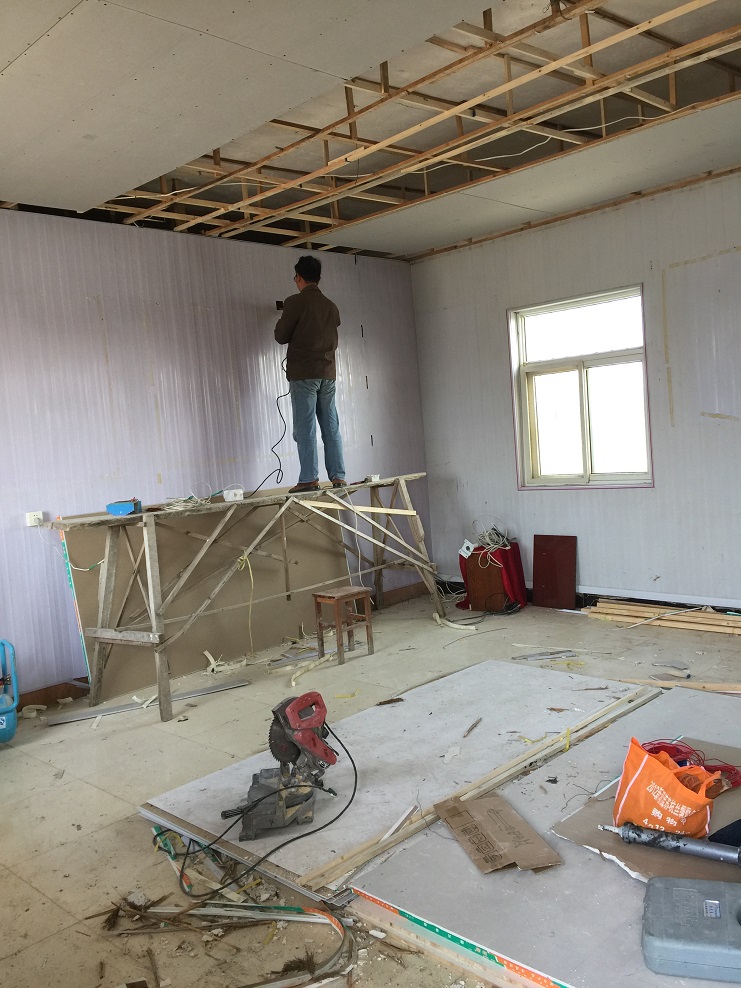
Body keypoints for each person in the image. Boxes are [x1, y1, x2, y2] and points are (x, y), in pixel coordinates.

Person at [274, 255, 346, 493]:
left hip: (304, 374)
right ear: (318, 278)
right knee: (330, 426)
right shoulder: (331, 306)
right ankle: (338, 476)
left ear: (299, 277)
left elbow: (280, 336)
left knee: (305, 428)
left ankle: (308, 478)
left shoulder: (295, 302)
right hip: (328, 373)